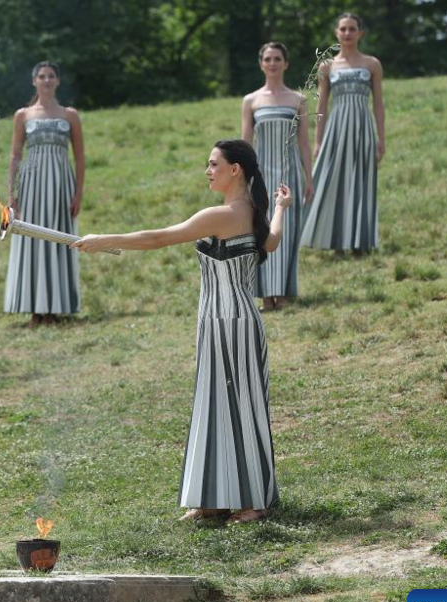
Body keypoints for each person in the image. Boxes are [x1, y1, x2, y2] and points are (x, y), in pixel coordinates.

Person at [73, 140, 291, 524]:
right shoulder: (253, 212)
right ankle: (213, 499)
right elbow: (271, 241)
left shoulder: (220, 215)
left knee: (236, 406)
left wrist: (104, 239)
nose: (207, 171)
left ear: (235, 169)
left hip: (227, 322)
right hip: (228, 320)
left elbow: (158, 237)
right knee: (220, 404)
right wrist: (281, 209)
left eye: (213, 164)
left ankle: (250, 503)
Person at [4, 61, 85, 327]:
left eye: (51, 76)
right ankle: (34, 310)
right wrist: (12, 193)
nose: (47, 80)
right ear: (34, 81)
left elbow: (80, 157)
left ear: (58, 81)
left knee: (59, 240)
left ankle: (56, 308)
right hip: (32, 186)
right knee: (33, 240)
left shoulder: (69, 115)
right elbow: (15, 156)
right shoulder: (23, 115)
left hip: (61, 184)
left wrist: (78, 193)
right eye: (42, 76)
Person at [300, 13, 384, 254]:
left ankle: (361, 242)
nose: (347, 33)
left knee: (362, 180)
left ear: (360, 33)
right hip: (336, 129)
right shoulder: (327, 66)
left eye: (352, 29)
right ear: (337, 33)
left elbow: (378, 103)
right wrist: (318, 141)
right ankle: (336, 241)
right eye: (343, 29)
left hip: (362, 128)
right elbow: (322, 106)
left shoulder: (372, 64)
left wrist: (381, 138)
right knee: (333, 182)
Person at [242, 42, 313, 311]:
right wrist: (242, 180)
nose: (272, 63)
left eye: (277, 58)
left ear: (286, 63)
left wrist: (309, 178)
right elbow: (245, 143)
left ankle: (281, 293)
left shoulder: (298, 100)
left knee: (287, 233)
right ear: (261, 63)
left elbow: (304, 143)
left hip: (289, 174)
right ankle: (264, 296)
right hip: (260, 176)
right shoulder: (251, 100)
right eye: (268, 58)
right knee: (261, 232)